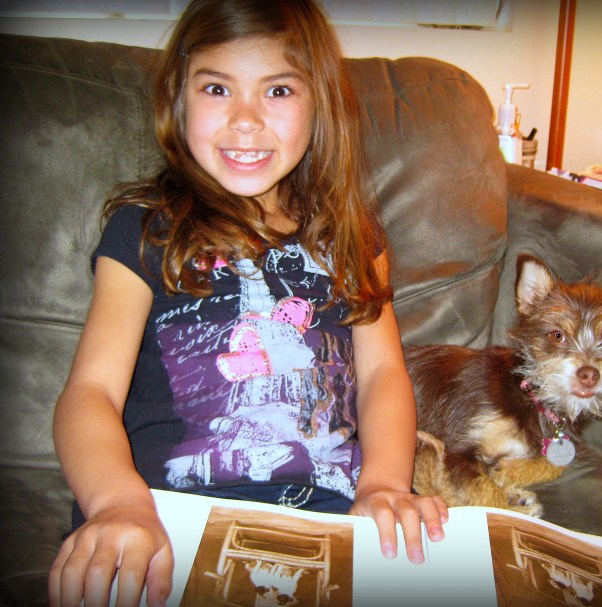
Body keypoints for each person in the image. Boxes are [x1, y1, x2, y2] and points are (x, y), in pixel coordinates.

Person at [47, 1, 448, 605]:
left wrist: (385, 482)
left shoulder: (353, 237)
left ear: (321, 106)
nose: (245, 120)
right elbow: (90, 392)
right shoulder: (145, 229)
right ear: (179, 99)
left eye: (279, 90)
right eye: (216, 88)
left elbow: (384, 373)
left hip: (327, 514)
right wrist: (116, 502)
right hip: (165, 517)